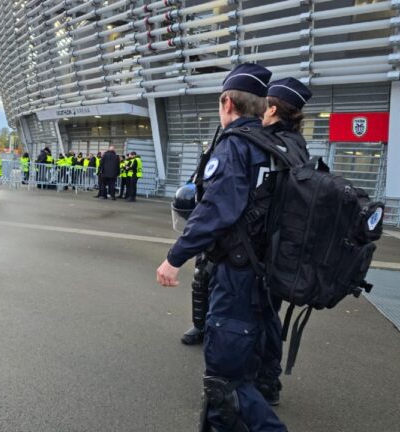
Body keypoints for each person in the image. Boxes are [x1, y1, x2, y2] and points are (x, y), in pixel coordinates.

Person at [156, 63, 288, 431]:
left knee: (225, 382)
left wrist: (175, 257)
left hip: (236, 277)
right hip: (264, 274)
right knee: (238, 373)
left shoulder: (235, 147)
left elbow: (215, 209)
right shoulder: (277, 146)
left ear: (228, 103)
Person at [254, 77, 313, 406]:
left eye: (265, 105)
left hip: (267, 247)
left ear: (273, 109)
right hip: (286, 247)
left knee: (261, 314)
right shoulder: (298, 145)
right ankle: (268, 379)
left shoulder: (270, 143)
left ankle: (265, 380)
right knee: (268, 314)